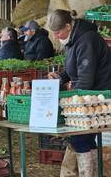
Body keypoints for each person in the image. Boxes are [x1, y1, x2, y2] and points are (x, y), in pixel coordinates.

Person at [47, 9, 111, 177]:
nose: (55, 36)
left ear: (68, 26)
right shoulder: (74, 39)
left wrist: (70, 101)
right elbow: (73, 69)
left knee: (80, 138)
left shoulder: (87, 40)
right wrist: (60, 77)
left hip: (97, 97)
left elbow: (86, 80)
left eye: (58, 32)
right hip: (90, 95)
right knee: (85, 139)